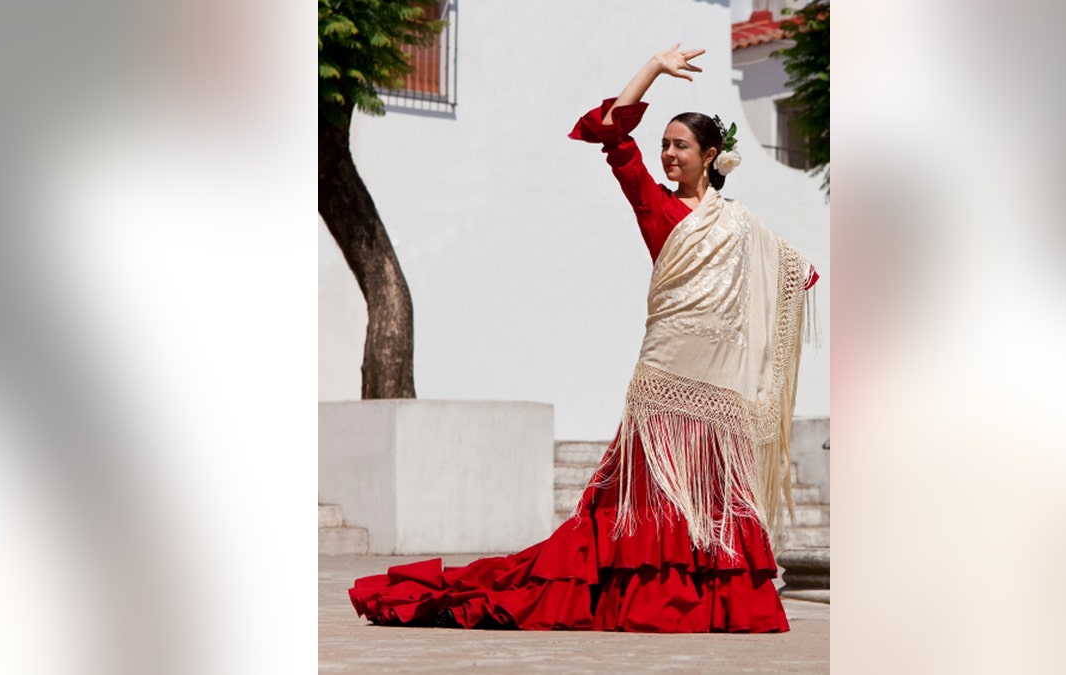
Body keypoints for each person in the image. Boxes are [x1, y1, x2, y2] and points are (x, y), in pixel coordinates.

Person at [349, 45, 818, 633]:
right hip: (666, 378)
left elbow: (789, 271)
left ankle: (713, 603)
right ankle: (647, 600)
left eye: (679, 145)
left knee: (712, 491)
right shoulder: (655, 203)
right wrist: (652, 67)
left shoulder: (740, 224)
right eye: (665, 145)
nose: (667, 153)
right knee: (649, 494)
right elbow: (611, 133)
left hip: (719, 383)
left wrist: (800, 281)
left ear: (711, 156)